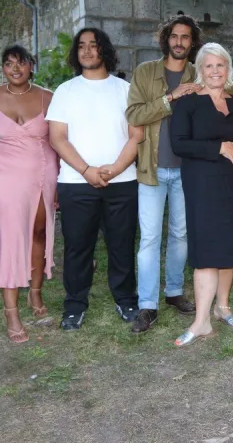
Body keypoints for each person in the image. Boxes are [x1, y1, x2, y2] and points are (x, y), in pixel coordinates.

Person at [126, 15, 233, 333]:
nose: (179, 41)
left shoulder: (201, 69)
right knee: (150, 237)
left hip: (189, 173)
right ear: (166, 38)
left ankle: (175, 293)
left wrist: (209, 80)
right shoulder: (145, 72)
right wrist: (171, 97)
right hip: (153, 167)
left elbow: (232, 86)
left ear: (193, 43)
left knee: (181, 236)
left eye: (186, 37)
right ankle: (147, 305)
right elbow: (135, 114)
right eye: (174, 36)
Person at [46, 28, 144, 331]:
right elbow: (57, 138)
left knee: (122, 244)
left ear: (105, 50)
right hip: (76, 183)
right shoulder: (65, 91)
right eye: (82, 46)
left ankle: (126, 300)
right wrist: (87, 171)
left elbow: (136, 135)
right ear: (77, 53)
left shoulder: (124, 89)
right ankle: (75, 305)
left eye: (94, 45)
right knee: (77, 247)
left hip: (122, 180)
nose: (88, 51)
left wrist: (113, 170)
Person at [170, 43, 233, 346]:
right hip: (201, 183)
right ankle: (201, 320)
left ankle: (223, 306)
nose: (215, 71)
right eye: (209, 66)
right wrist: (218, 147)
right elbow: (179, 143)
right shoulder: (188, 104)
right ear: (200, 70)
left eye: (220, 65)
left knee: (229, 244)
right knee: (206, 247)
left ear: (228, 69)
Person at [0, 45, 58, 343]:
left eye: (21, 63)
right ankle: (11, 311)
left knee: (39, 232)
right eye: (9, 63)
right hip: (3, 174)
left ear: (31, 65)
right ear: (3, 68)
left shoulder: (48, 97)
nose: (15, 69)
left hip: (42, 172)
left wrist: (64, 181)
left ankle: (36, 293)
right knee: (11, 237)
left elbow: (59, 139)